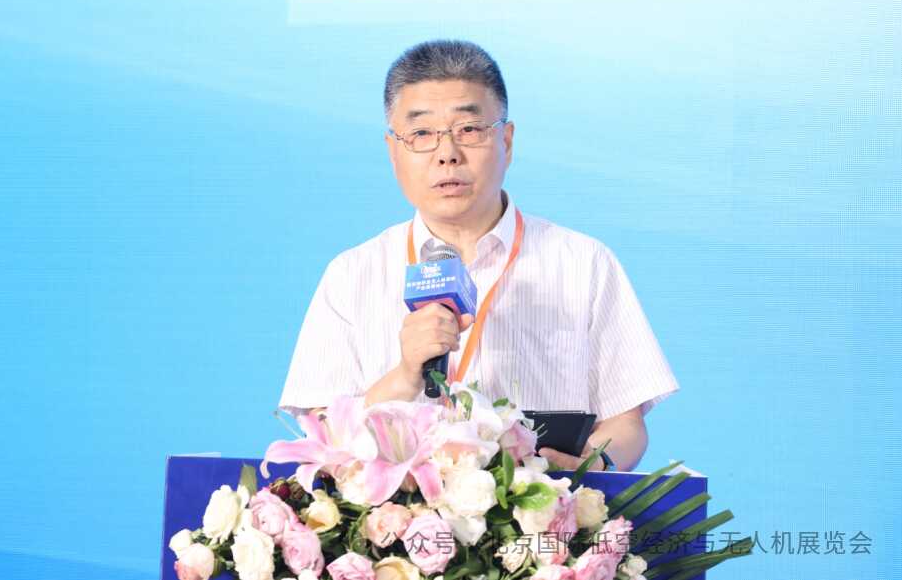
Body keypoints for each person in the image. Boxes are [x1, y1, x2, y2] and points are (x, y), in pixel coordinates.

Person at [277, 40, 679, 472]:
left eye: (469, 129)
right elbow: (323, 437)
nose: (447, 154)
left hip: (545, 508)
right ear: (394, 151)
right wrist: (405, 375)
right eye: (422, 134)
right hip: (393, 514)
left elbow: (626, 423)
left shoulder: (584, 263)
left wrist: (590, 469)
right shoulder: (351, 275)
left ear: (506, 140)